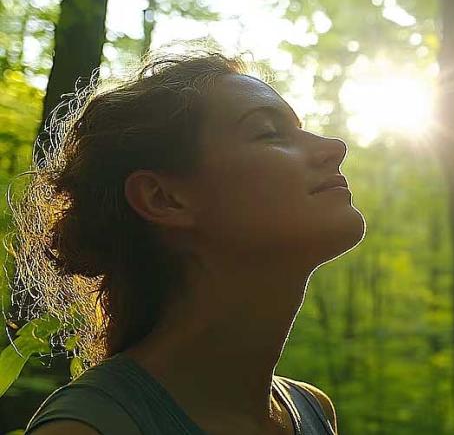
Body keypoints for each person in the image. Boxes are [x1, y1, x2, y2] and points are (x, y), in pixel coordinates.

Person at [10, 48, 364, 434]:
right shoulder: (87, 428)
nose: (335, 147)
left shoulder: (312, 411)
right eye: (269, 133)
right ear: (164, 198)